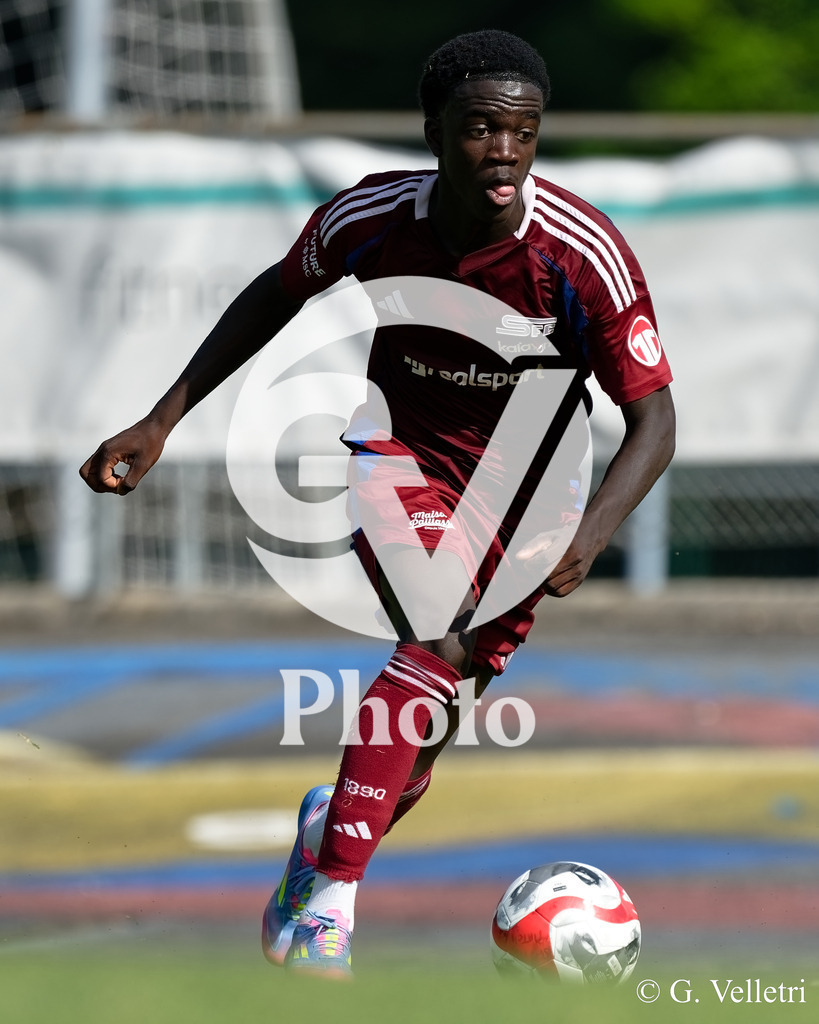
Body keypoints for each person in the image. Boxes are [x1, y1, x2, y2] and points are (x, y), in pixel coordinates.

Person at [80, 29, 675, 978]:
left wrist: (590, 537)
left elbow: (653, 421)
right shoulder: (369, 218)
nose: (504, 152)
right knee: (435, 637)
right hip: (400, 457)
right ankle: (329, 909)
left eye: (522, 132)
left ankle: (329, 832)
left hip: (533, 502)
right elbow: (271, 297)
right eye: (481, 129)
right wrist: (161, 420)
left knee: (417, 744)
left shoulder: (580, 252)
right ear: (433, 130)